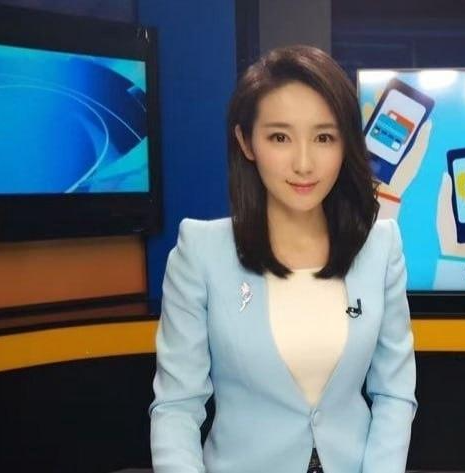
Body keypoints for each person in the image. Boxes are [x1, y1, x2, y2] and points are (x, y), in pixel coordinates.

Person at [149, 45, 417, 473]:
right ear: (246, 142)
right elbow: (177, 407)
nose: (304, 163)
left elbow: (394, 393)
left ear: (346, 144)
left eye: (324, 137)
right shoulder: (200, 252)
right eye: (280, 137)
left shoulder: (380, 248)